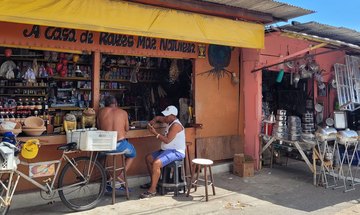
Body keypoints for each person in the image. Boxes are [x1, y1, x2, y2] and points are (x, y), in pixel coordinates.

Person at [140, 105, 186, 198]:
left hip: (176, 152)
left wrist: (155, 133)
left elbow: (167, 140)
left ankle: (152, 190)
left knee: (156, 163)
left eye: (167, 116)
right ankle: (153, 182)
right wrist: (153, 121)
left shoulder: (176, 125)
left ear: (173, 116)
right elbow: (158, 118)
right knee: (148, 158)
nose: (165, 118)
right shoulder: (169, 120)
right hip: (166, 150)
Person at [97, 95, 136, 190]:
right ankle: (121, 175)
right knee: (133, 153)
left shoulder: (100, 112)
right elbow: (127, 129)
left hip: (104, 145)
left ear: (105, 104)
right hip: (119, 145)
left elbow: (98, 127)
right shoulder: (123, 112)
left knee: (100, 158)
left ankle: (108, 178)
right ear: (116, 104)